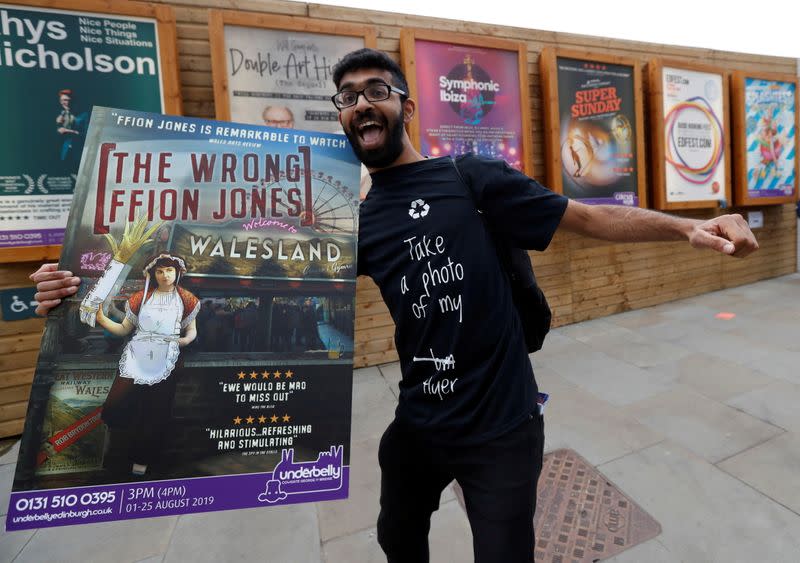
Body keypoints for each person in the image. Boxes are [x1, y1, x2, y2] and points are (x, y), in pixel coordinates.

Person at [33, 48, 758, 563]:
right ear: (342, 119)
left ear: (404, 104)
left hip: (503, 427)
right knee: (395, 535)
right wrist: (77, 290)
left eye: (375, 90)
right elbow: (227, 277)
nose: (360, 105)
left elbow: (587, 216)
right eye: (347, 98)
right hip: (419, 421)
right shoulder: (357, 225)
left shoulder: (469, 177)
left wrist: (689, 226)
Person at [93, 254, 200, 477]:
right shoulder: (140, 298)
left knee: (156, 413)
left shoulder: (187, 299)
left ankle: (141, 464)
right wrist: (102, 318)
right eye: (160, 271)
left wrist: (184, 340)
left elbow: (192, 331)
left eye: (169, 271)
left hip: (167, 358)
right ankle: (116, 457)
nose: (164, 275)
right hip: (137, 356)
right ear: (153, 273)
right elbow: (124, 329)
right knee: (119, 405)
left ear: (178, 273)